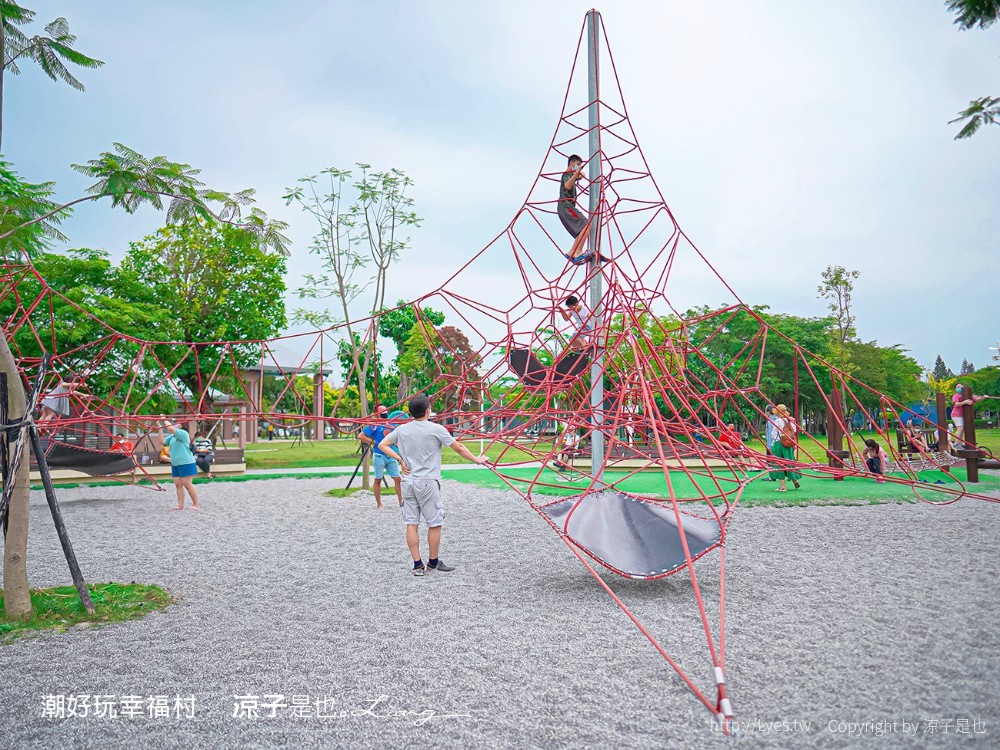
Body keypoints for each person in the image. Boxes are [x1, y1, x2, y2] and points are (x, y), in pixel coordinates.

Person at [378, 394, 489, 576]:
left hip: (408, 482)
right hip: (428, 482)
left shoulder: (402, 430)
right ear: (428, 411)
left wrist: (400, 459)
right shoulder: (436, 429)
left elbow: (383, 444)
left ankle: (417, 565)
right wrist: (477, 460)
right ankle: (433, 563)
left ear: (411, 413)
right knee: (434, 523)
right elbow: (458, 447)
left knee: (411, 523)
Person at [359, 405, 402, 510]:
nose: (385, 412)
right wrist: (373, 442)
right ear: (377, 413)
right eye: (382, 411)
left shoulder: (391, 423)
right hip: (379, 455)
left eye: (386, 410)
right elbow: (361, 436)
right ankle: (379, 504)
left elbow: (394, 439)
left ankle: (401, 502)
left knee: (397, 479)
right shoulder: (374, 425)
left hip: (391, 455)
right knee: (378, 479)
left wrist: (399, 450)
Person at [558, 154, 594, 262]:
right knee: (586, 224)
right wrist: (577, 172)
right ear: (571, 164)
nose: (578, 167)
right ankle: (577, 251)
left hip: (566, 207)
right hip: (566, 206)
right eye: (577, 165)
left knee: (583, 228)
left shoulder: (571, 174)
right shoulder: (567, 174)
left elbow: (576, 177)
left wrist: (579, 174)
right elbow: (568, 185)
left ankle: (572, 251)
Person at [159, 417, 199, 511]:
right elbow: (162, 442)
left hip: (186, 462)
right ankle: (180, 505)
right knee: (178, 484)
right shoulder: (173, 436)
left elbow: (171, 429)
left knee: (187, 484)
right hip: (175, 463)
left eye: (177, 422)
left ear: (182, 425)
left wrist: (164, 419)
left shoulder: (183, 433)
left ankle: (196, 504)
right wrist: (159, 428)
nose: (175, 424)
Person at [768, 404, 801, 491]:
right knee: (789, 461)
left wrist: (772, 444)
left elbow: (774, 433)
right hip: (789, 443)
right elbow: (794, 431)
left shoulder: (778, 421)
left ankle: (783, 486)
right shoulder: (791, 420)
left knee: (779, 464)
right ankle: (794, 480)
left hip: (779, 443)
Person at [951, 383, 988, 448]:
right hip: (956, 414)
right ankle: (956, 444)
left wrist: (984, 397)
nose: (959, 388)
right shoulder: (956, 396)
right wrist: (965, 402)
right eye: (957, 387)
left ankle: (960, 443)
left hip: (963, 415)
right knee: (960, 428)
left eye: (960, 386)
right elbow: (956, 404)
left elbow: (977, 399)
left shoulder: (967, 395)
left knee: (962, 429)